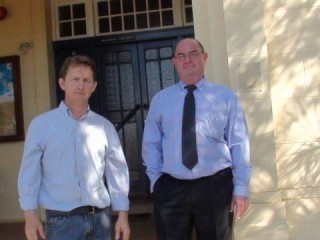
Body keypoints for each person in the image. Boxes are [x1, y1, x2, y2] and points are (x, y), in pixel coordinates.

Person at [142, 38, 251, 240]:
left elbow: (239, 144)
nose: (187, 60)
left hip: (215, 187)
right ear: (174, 62)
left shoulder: (225, 97)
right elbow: (151, 144)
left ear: (204, 58)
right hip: (171, 188)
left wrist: (241, 188)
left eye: (193, 54)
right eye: (181, 56)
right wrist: (157, 182)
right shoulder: (161, 100)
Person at [18, 55, 130, 240]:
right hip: (61, 222)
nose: (81, 85)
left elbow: (117, 172)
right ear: (62, 83)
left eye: (86, 80)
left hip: (100, 220)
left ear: (94, 86)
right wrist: (29, 214)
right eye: (75, 79)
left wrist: (123, 215)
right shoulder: (41, 125)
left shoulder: (105, 127)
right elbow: (29, 172)